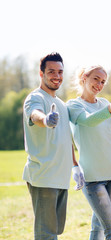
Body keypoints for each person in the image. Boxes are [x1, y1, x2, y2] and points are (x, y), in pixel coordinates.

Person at [22, 52, 76, 240]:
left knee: (55, 230)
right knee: (46, 234)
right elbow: (35, 115)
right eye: (51, 71)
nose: (56, 76)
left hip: (60, 177)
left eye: (60, 72)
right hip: (43, 176)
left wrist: (75, 166)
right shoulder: (35, 98)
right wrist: (46, 119)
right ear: (41, 73)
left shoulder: (61, 104)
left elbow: (66, 138)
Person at [67, 66, 111, 240]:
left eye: (103, 81)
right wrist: (109, 110)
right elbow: (87, 121)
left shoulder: (105, 103)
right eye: (96, 79)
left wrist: (109, 108)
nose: (99, 84)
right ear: (84, 77)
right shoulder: (74, 105)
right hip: (92, 177)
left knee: (98, 227)